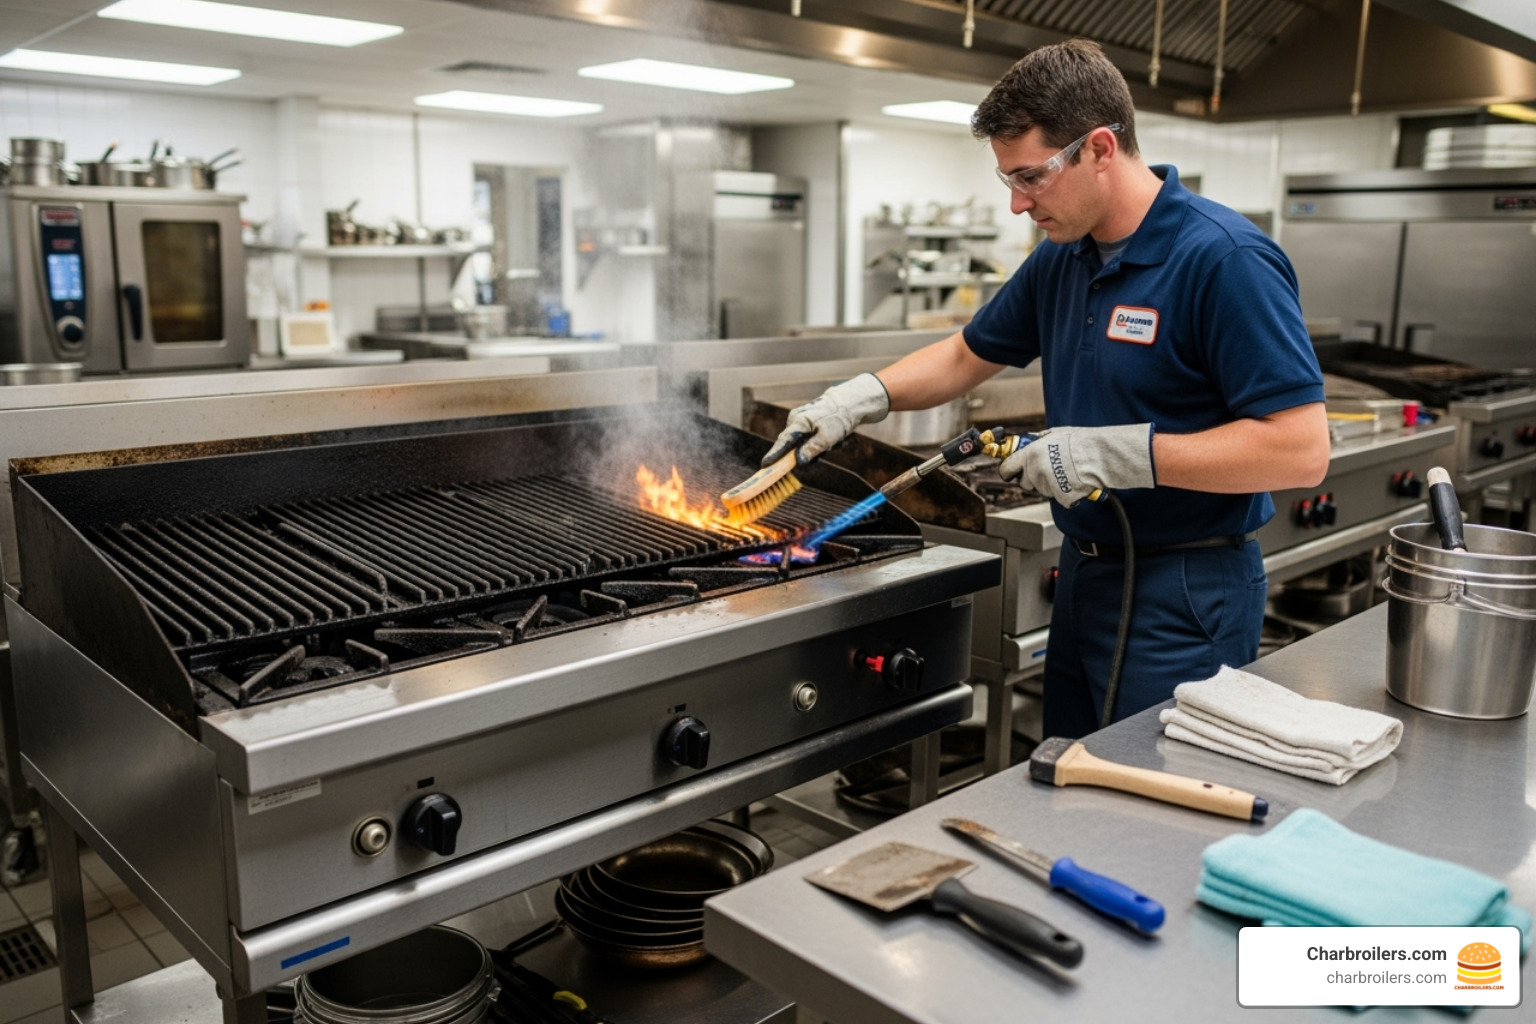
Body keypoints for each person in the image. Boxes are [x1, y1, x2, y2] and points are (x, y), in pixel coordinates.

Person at [763, 39, 1330, 738]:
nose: (1016, 205)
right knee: (1073, 778)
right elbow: (966, 356)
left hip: (1188, 590)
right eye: (1008, 180)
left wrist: (1117, 456)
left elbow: (1301, 450)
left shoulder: (1223, 259)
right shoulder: (1064, 257)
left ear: (1098, 148)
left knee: (1155, 811)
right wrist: (855, 400)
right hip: (1088, 575)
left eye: (1029, 177)